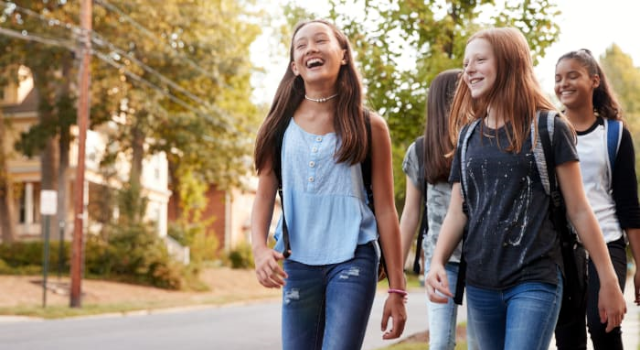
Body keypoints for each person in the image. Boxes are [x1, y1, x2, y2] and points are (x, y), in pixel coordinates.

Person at [425, 27, 627, 350]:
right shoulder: (467, 138)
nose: (469, 69)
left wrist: (608, 278)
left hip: (536, 278)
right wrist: (437, 262)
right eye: (466, 63)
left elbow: (579, 210)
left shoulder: (548, 127)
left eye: (479, 60)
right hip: (479, 283)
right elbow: (456, 212)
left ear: (508, 63)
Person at [250, 19, 407, 350]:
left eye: (321, 41)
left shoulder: (370, 125)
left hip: (353, 258)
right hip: (297, 263)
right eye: (302, 45)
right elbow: (264, 195)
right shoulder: (278, 126)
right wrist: (260, 249)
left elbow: (386, 210)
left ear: (344, 55)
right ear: (295, 66)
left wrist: (397, 289)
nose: (311, 48)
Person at [553, 48, 640, 350]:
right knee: (567, 337)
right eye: (558, 78)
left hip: (608, 241)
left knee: (604, 327)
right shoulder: (548, 132)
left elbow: (629, 206)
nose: (563, 83)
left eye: (572, 75)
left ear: (594, 81)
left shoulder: (614, 135)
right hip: (562, 249)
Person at [399, 68, 476, 350]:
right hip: (441, 262)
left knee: (483, 342)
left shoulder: (482, 142)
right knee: (441, 343)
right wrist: (397, 271)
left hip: (483, 259)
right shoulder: (420, 151)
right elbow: (409, 215)